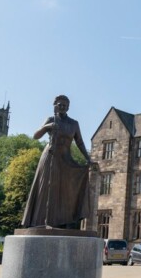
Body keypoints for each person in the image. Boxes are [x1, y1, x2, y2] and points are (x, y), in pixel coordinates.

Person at [21, 95, 93, 229]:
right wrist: (47, 126)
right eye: (60, 104)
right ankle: (39, 222)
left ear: (68, 107)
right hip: (51, 154)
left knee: (66, 190)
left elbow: (80, 142)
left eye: (65, 105)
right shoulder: (51, 119)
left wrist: (88, 159)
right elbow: (36, 136)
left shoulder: (73, 123)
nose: (62, 107)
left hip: (66, 158)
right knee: (45, 188)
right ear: (55, 105)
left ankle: (62, 222)